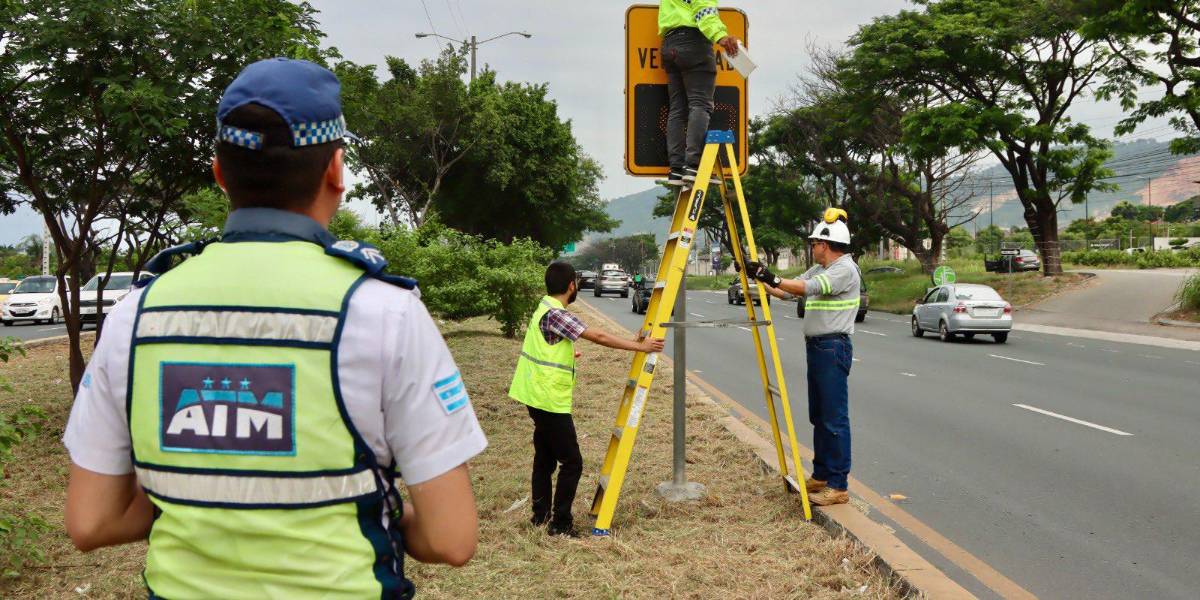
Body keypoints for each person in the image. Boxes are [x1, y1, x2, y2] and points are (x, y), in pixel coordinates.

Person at [62, 58, 487, 598]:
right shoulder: (384, 311)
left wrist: (208, 497)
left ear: (219, 173)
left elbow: (90, 522)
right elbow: (451, 539)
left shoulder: (136, 314)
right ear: (336, 168)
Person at [508, 262, 665, 536]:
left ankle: (540, 516)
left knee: (544, 458)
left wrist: (632, 339)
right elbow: (599, 336)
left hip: (534, 394)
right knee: (572, 462)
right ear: (571, 285)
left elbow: (551, 346)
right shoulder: (557, 313)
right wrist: (640, 347)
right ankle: (560, 524)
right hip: (547, 398)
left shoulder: (544, 307)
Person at [744, 209, 859, 506]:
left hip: (833, 347)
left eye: (814, 242)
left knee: (834, 418)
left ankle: (838, 485)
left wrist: (770, 275)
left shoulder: (844, 269)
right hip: (819, 347)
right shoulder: (820, 269)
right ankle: (821, 476)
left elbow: (806, 288)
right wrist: (755, 275)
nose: (812, 246)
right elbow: (787, 291)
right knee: (819, 415)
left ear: (827, 243)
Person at [658, 0, 741, 186]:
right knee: (700, 104)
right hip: (694, 43)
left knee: (677, 109)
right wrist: (721, 36)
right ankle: (693, 165)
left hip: (669, 45)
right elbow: (704, 12)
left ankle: (676, 169)